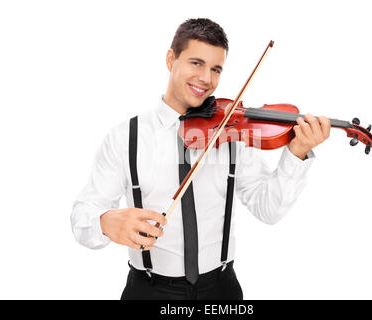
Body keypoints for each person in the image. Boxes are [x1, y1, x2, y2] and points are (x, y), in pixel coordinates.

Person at [70, 18, 331, 300]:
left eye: (216, 69)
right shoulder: (125, 137)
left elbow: (268, 209)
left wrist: (296, 154)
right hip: (148, 290)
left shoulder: (232, 132)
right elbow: (84, 214)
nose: (207, 78)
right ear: (171, 59)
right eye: (196, 63)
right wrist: (104, 221)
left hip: (221, 290)